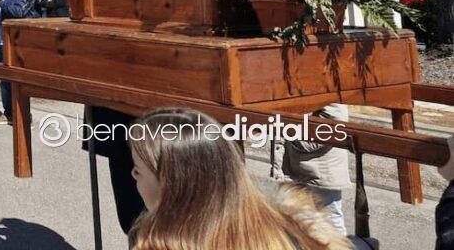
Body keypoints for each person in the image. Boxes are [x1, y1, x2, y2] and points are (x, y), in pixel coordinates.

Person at [128, 107, 351, 249]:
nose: (132, 175)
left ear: (175, 184)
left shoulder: (160, 244)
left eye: (138, 169)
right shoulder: (291, 233)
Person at [275, 103, 350, 234]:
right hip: (298, 165)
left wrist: (293, 137)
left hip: (322, 170)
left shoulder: (326, 85)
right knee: (298, 221)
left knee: (330, 225)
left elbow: (335, 121)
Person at [0, 0, 38, 122]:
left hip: (14, 39)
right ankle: (9, 113)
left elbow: (19, 11)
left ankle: (23, 115)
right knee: (4, 77)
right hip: (0, 39)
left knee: (15, 78)